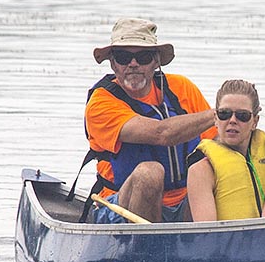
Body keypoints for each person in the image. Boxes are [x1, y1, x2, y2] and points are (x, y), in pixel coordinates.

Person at [72, 17, 218, 223]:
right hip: (119, 207)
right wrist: (220, 113)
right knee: (150, 173)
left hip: (187, 201)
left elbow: (217, 141)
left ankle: (211, 236)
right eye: (123, 57)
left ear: (156, 61)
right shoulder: (101, 103)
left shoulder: (182, 87)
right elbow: (162, 133)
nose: (133, 64)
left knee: (218, 163)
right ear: (112, 63)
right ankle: (145, 242)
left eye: (143, 57)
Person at [186, 80, 265, 221]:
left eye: (242, 115)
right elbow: (207, 231)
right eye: (224, 114)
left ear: (255, 121)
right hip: (228, 236)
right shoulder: (201, 171)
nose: (233, 120)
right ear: (216, 119)